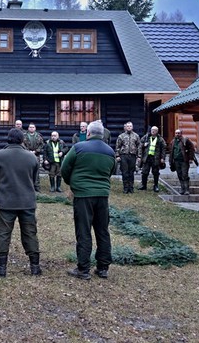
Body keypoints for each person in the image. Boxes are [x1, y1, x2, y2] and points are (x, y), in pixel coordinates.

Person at [61, 120, 116, 280]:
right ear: (102, 134)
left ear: (89, 133)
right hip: (102, 196)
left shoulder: (78, 148)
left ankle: (83, 269)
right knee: (102, 231)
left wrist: (72, 183)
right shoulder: (110, 152)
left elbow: (65, 168)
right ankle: (103, 268)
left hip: (83, 196)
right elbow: (112, 170)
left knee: (83, 231)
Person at [0, 128, 41, 277]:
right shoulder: (31, 158)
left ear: (8, 139)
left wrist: (5, 185)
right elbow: (33, 177)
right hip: (27, 201)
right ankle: (35, 267)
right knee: (30, 233)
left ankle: (1, 267)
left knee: (3, 233)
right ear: (22, 140)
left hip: (7, 200)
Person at [169, 129, 198, 195]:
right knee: (179, 175)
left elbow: (192, 148)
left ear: (181, 134)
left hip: (184, 160)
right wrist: (171, 161)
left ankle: (187, 189)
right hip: (176, 161)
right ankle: (182, 189)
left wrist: (190, 158)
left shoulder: (185, 140)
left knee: (185, 174)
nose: (177, 134)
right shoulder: (173, 141)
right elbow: (171, 151)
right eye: (176, 133)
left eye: (178, 133)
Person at [115, 121, 141, 194]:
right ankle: (125, 188)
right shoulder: (121, 136)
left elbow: (139, 146)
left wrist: (139, 156)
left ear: (132, 127)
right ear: (125, 127)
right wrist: (117, 155)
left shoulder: (136, 136)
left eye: (130, 126)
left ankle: (131, 187)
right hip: (124, 156)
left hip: (132, 156)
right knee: (125, 172)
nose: (129, 127)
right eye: (128, 126)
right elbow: (117, 146)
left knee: (131, 172)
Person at [139, 126, 167, 192]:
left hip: (156, 158)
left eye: (154, 130)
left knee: (155, 173)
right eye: (152, 130)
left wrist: (163, 158)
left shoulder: (160, 139)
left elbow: (163, 149)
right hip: (147, 157)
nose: (153, 131)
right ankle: (143, 185)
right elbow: (139, 145)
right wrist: (143, 145)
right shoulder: (146, 137)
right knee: (144, 172)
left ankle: (156, 186)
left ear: (157, 131)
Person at [23, 123, 44, 192]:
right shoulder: (24, 135)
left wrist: (36, 151)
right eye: (30, 127)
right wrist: (28, 151)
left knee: (36, 171)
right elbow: (22, 145)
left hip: (36, 155)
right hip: (26, 155)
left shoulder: (39, 136)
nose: (31, 128)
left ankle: (36, 186)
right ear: (28, 128)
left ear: (35, 128)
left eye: (33, 127)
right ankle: (27, 186)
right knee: (27, 171)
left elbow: (42, 145)